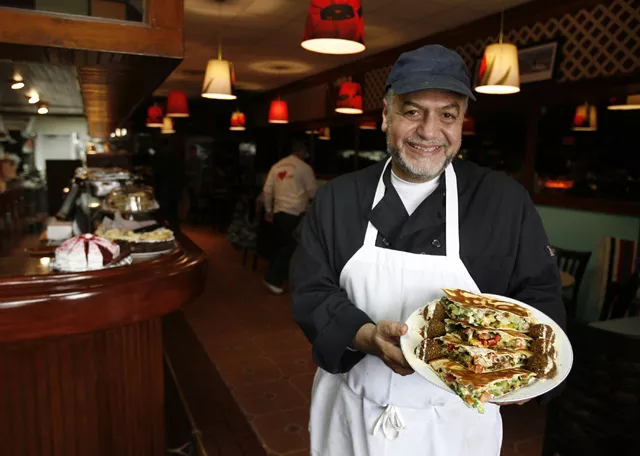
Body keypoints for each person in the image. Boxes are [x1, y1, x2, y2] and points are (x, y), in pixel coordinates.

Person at [290, 44, 564, 456]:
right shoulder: (340, 198)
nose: (429, 131)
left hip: (454, 426)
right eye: (412, 111)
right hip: (350, 413)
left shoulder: (503, 201)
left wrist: (527, 374)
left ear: (461, 122)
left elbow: (540, 300)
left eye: (447, 114)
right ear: (386, 114)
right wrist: (364, 336)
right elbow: (311, 290)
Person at [262, 140, 317, 294]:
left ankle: (279, 276)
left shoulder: (277, 166)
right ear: (301, 152)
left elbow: (267, 190)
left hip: (279, 211)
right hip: (295, 213)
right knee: (290, 247)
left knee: (281, 245)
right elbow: (313, 192)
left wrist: (268, 210)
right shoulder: (304, 168)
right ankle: (273, 279)